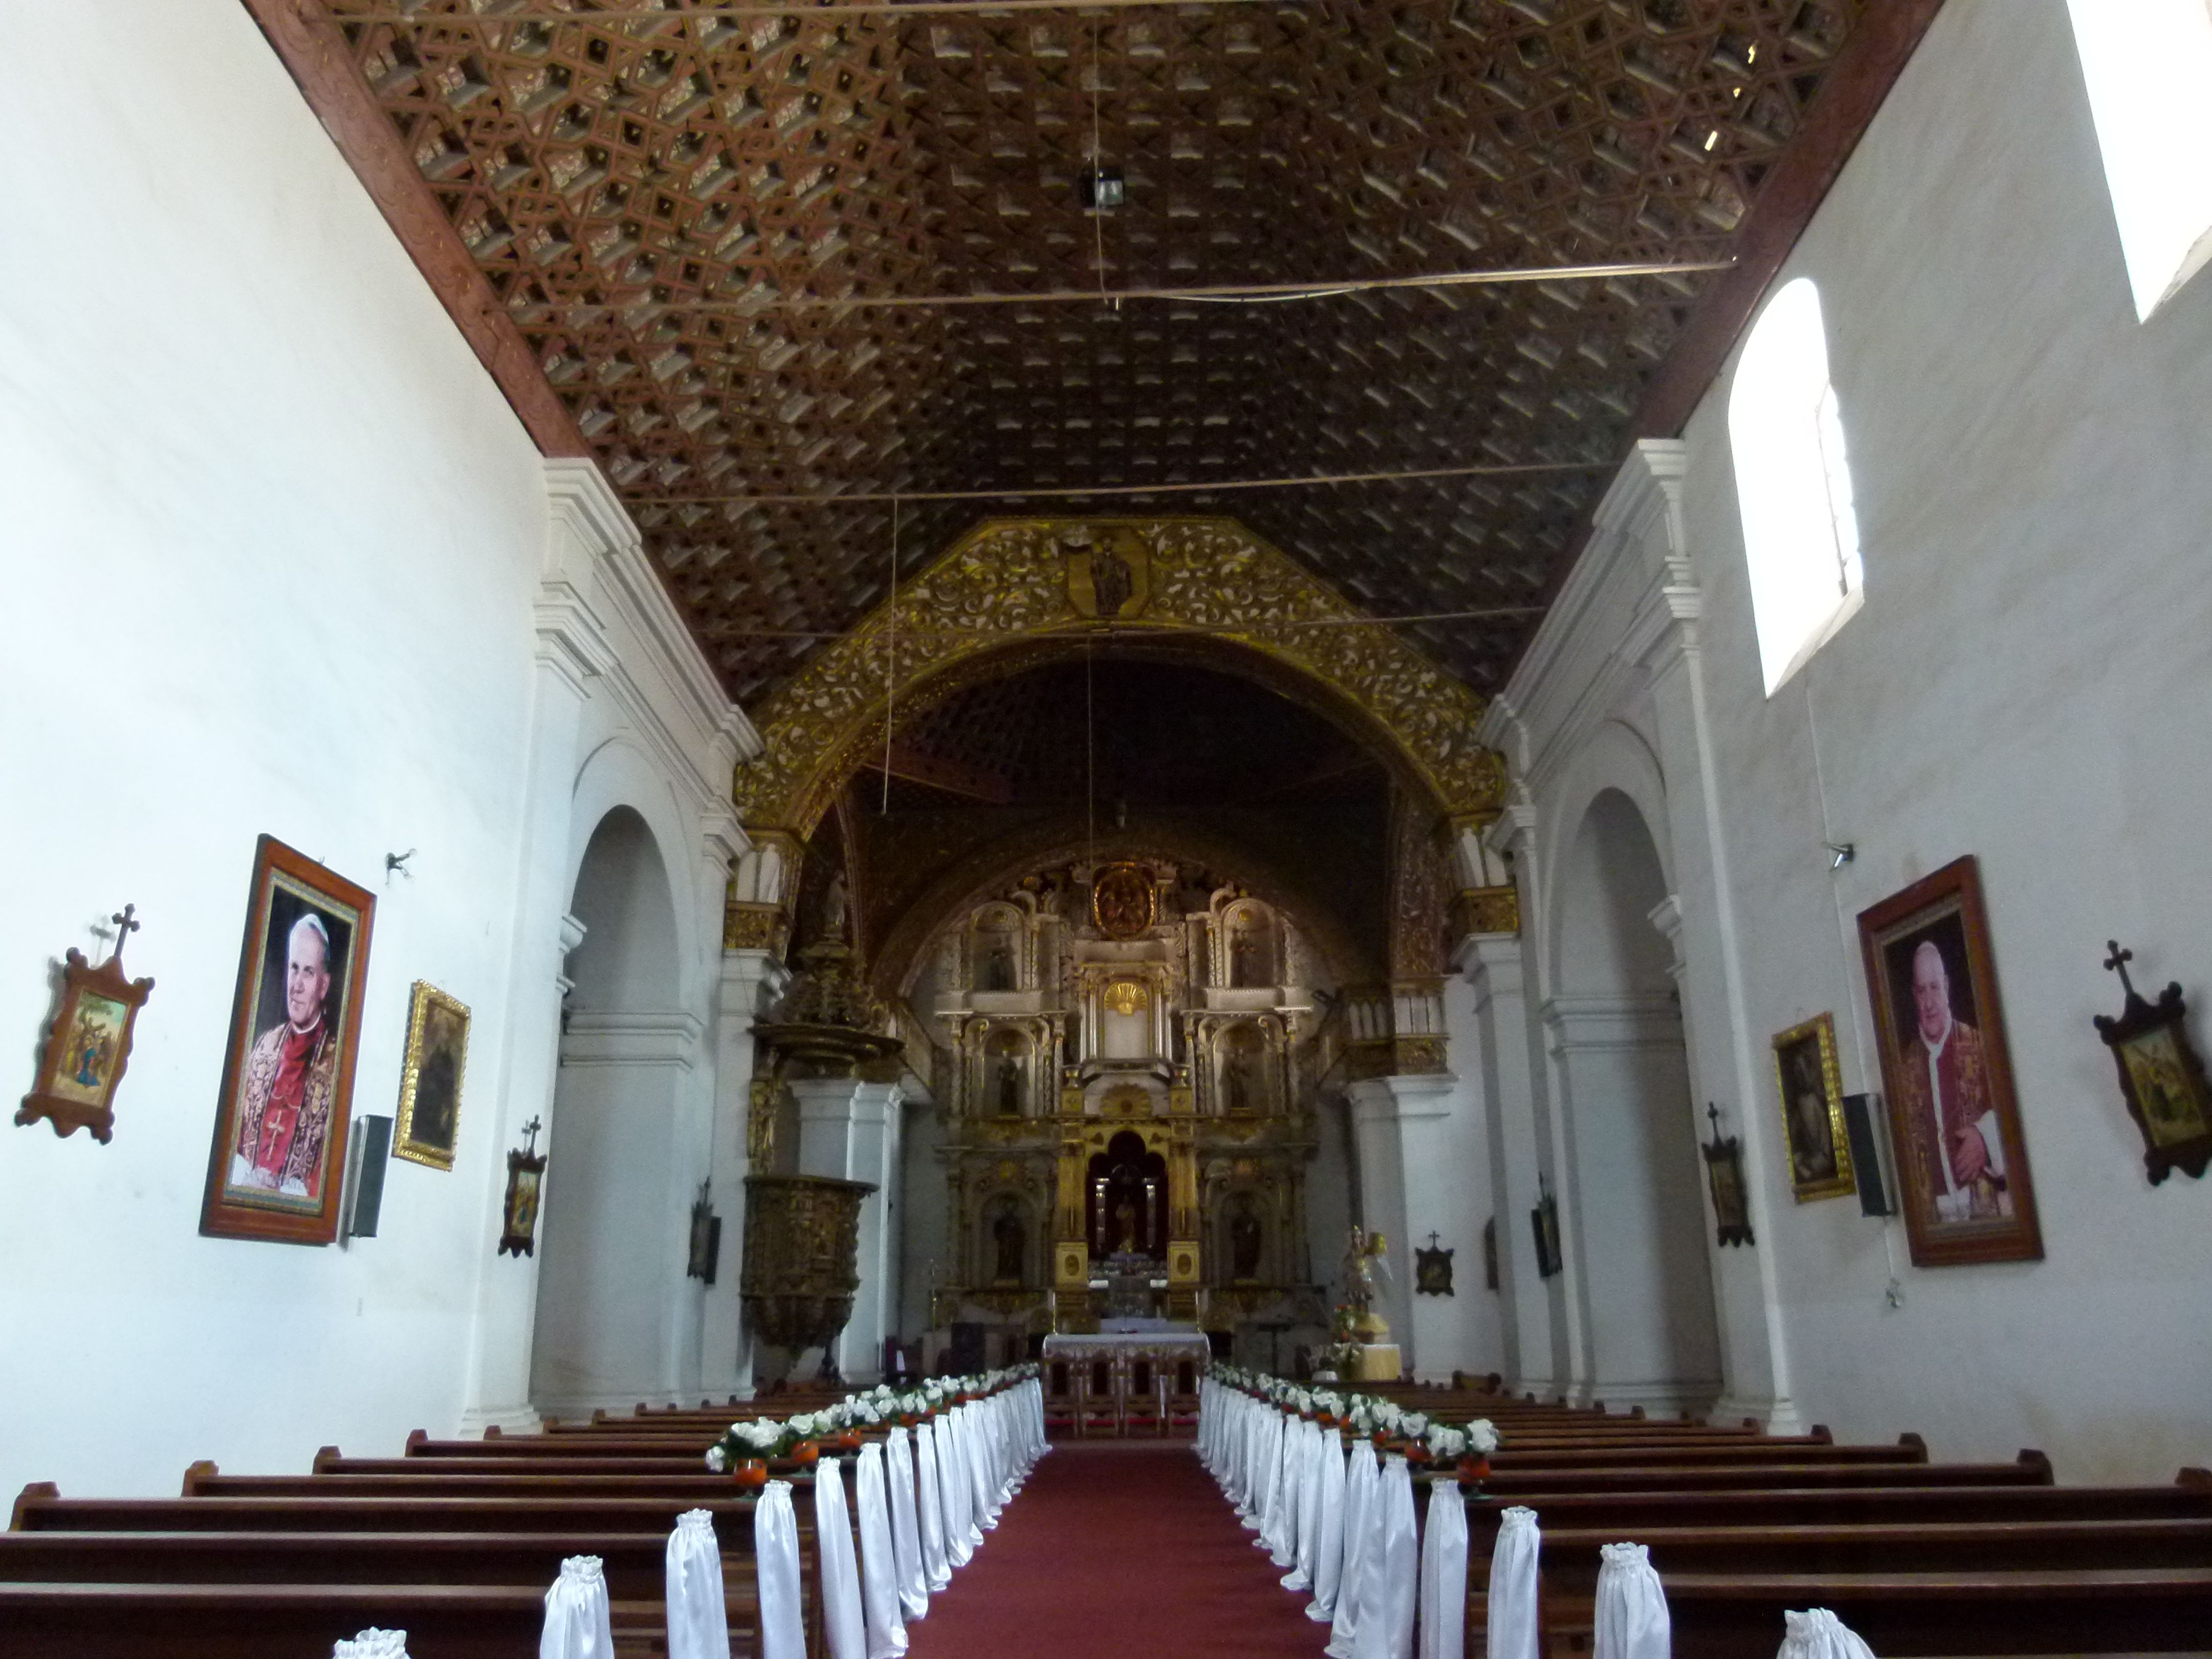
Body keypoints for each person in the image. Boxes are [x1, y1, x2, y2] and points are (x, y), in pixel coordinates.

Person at [1892, 939, 2009, 1223]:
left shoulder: (1981, 1045)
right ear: (1914, 995)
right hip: (1935, 1223)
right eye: (1921, 991)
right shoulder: (1901, 1071)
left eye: (1934, 988)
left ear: (1946, 986)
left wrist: (1985, 1137)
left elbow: (2017, 1111)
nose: (1929, 1003)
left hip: (1988, 1210)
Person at [231, 911, 341, 1199]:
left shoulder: (337, 1063)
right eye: (294, 968)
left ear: (324, 985)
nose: (297, 985)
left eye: (309, 971)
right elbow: (236, 1138)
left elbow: (325, 1175)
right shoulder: (264, 1047)